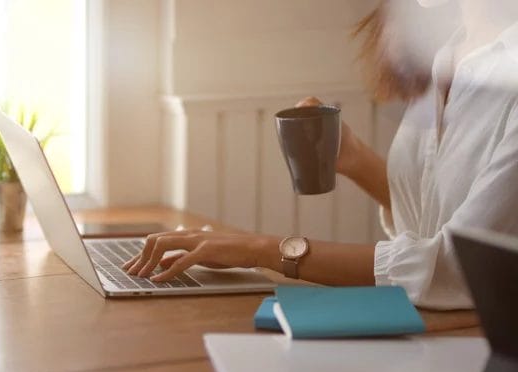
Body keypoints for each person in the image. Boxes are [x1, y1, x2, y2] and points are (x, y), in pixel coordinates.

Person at [124, 0, 518, 310]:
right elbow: (433, 225)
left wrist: (258, 250)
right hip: (428, 328)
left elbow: (459, 266)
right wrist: (355, 159)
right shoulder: (448, 54)